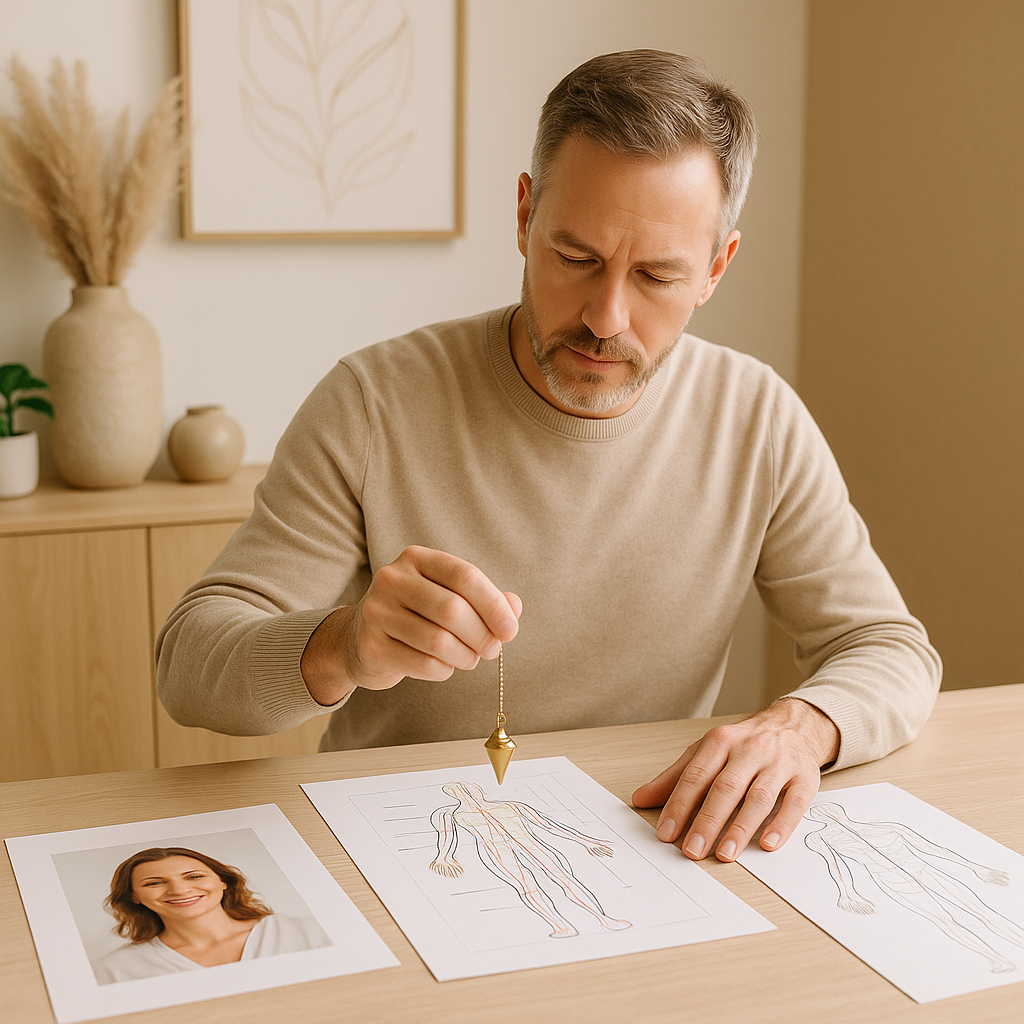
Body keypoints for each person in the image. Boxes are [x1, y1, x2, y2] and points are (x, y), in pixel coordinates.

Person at [157, 50, 940, 866]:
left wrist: (802, 726)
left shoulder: (758, 417)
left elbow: (889, 648)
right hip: (408, 850)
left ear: (715, 267)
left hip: (647, 853)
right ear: (526, 216)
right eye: (577, 258)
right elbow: (190, 663)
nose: (607, 316)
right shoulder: (372, 403)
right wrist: (342, 645)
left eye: (657, 276)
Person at [92, 847, 330, 984]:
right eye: (154, 882)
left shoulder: (311, 931)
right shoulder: (114, 970)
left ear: (223, 881)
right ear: (134, 897)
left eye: (194, 877)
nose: (179, 890)